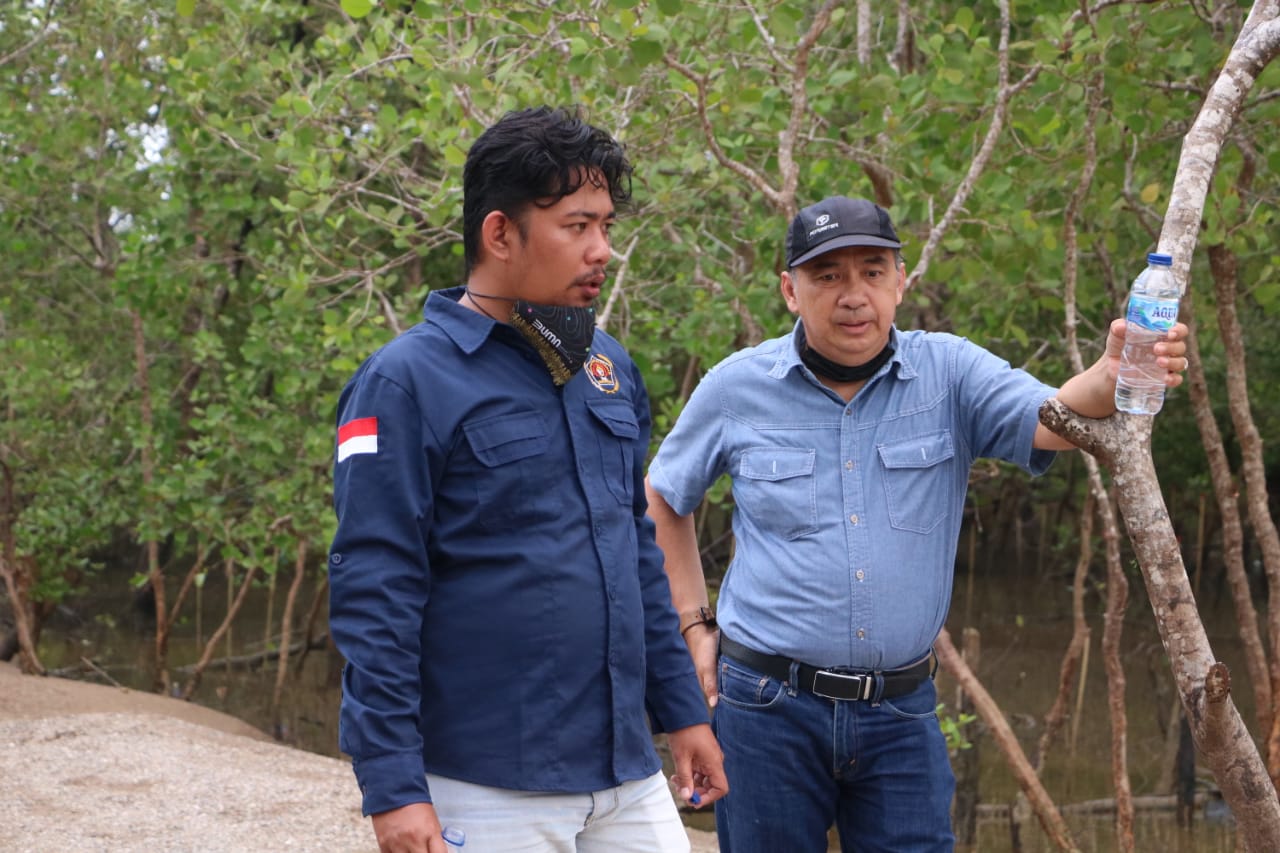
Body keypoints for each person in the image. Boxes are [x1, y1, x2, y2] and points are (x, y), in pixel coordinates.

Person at [644, 195, 1190, 853]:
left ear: (901, 282)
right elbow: (663, 496)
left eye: (872, 271)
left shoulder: (950, 372)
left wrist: (1115, 369)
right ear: (791, 290)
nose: (853, 295)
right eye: (828, 276)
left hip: (899, 710)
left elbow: (1056, 419)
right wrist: (693, 625)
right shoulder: (736, 388)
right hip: (766, 706)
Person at [328, 106, 727, 853]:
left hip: (623, 770)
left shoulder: (608, 369)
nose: (602, 250)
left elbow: (637, 555)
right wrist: (393, 784)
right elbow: (375, 587)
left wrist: (683, 711)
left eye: (606, 226)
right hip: (485, 781)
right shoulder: (405, 382)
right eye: (577, 226)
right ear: (500, 234)